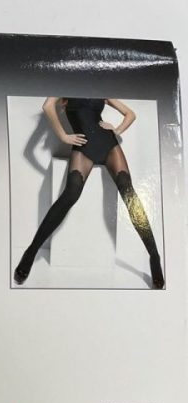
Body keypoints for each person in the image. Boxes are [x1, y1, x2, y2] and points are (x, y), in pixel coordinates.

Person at [12, 97, 165, 289]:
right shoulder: (66, 85)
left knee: (129, 194)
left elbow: (130, 114)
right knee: (71, 194)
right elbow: (47, 106)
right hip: (84, 147)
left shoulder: (100, 87)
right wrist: (63, 136)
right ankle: (31, 252)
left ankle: (154, 256)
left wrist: (116, 130)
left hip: (108, 144)